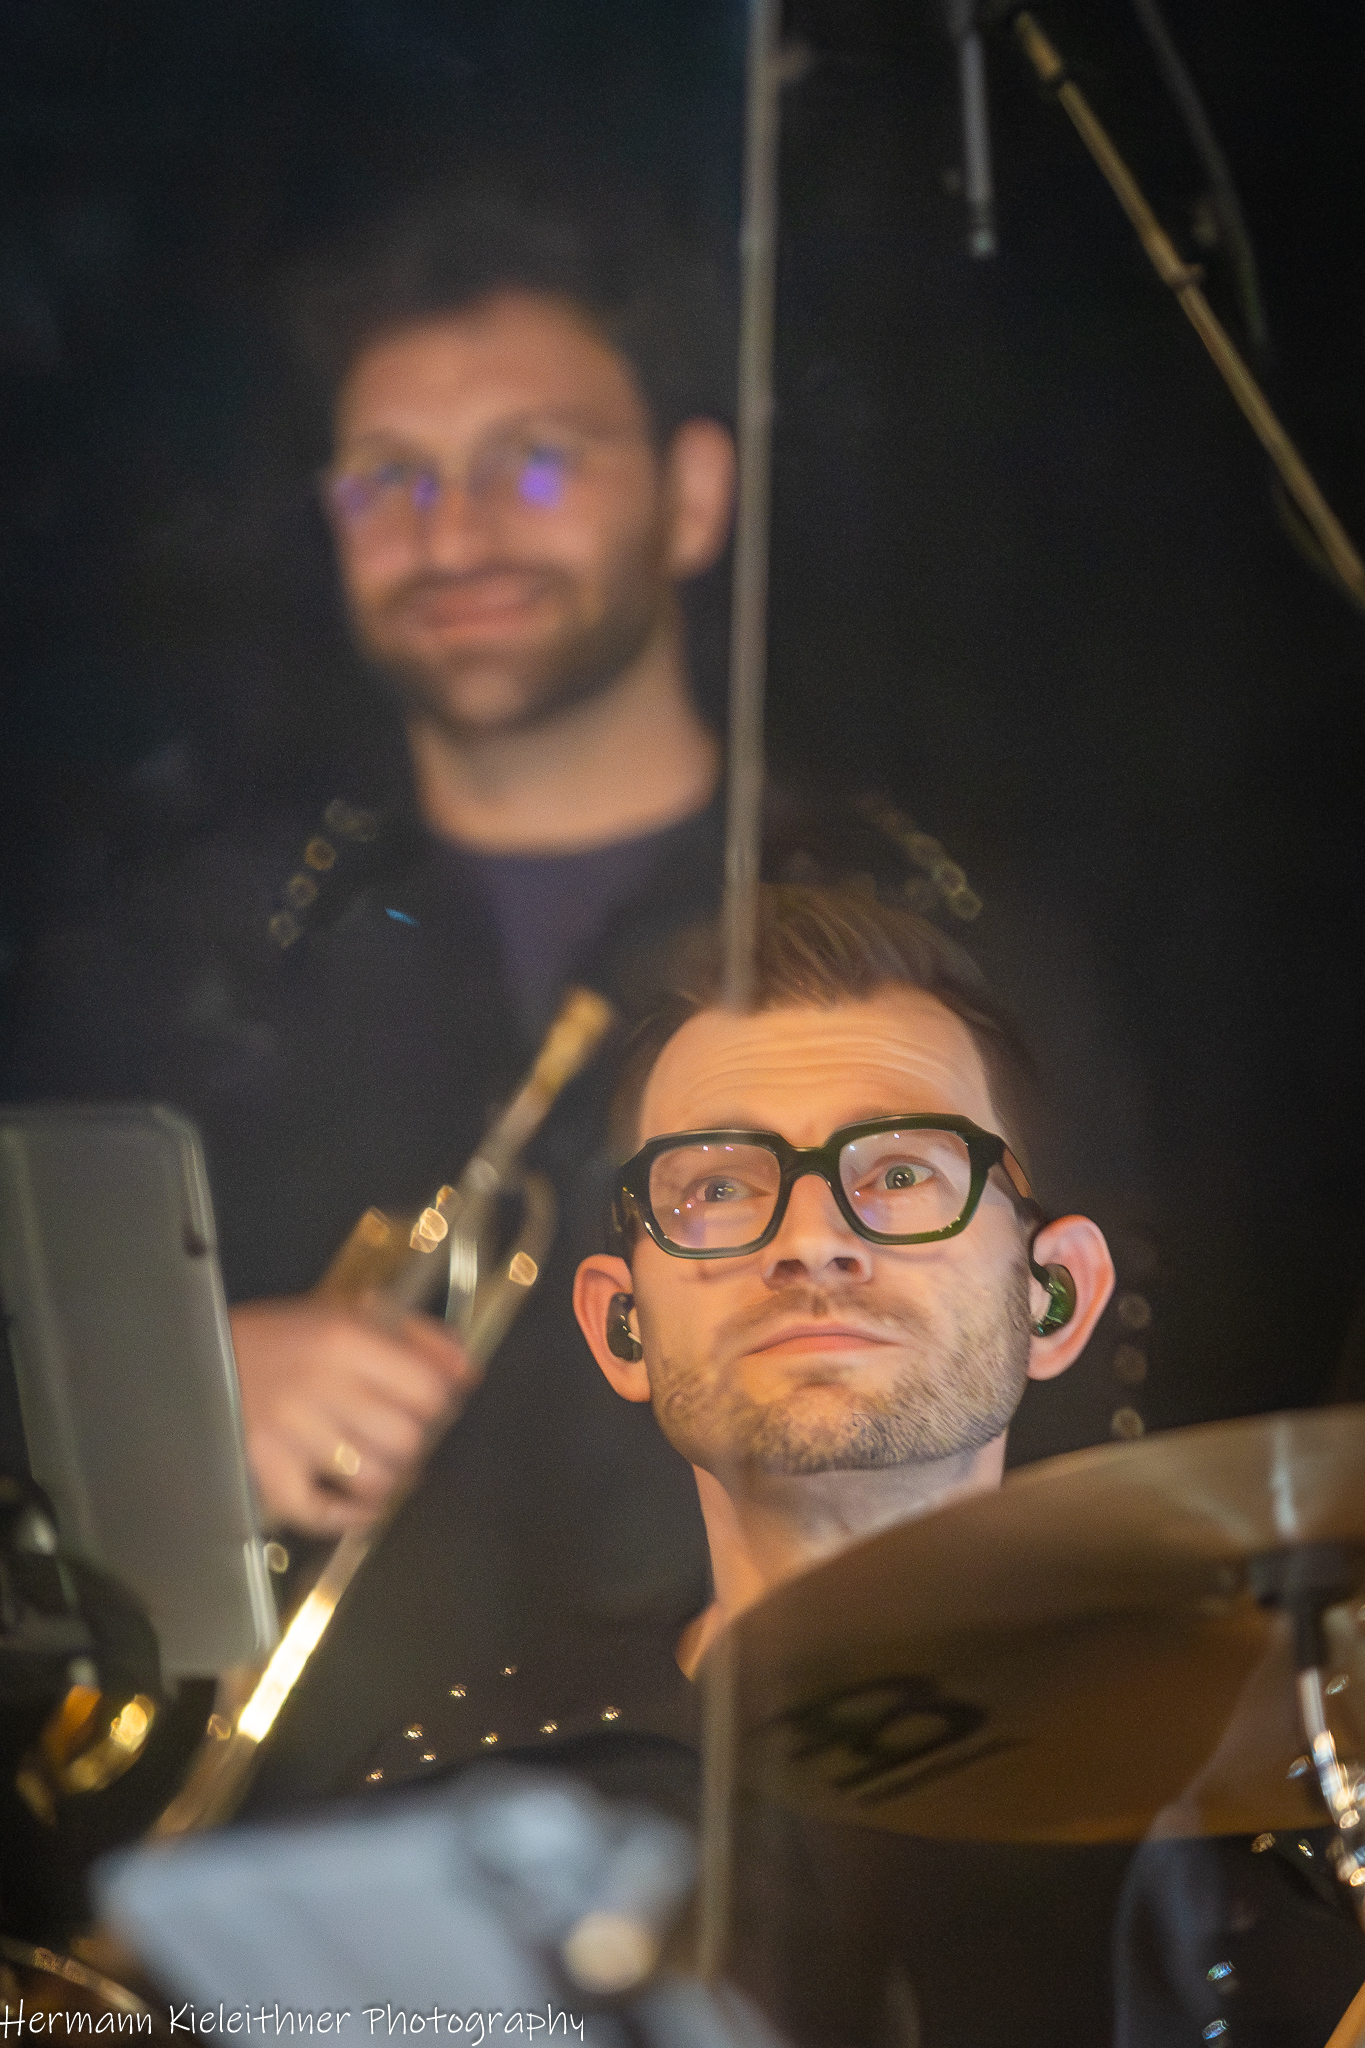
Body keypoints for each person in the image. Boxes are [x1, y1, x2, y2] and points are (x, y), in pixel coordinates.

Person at [0, 177, 975, 1832]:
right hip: (265, 1880)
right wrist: (172, 1412)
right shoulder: (170, 951)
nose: (450, 532)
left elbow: (1093, 1463)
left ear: (691, 494)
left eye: (531, 460)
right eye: (388, 476)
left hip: (766, 1850)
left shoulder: (929, 935)